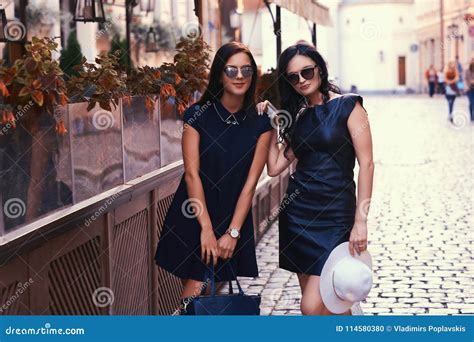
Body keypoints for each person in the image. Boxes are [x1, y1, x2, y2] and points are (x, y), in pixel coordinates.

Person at [154, 42, 273, 314]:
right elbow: (191, 174)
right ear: (220, 74)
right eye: (231, 69)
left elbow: (250, 185)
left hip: (231, 217)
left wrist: (233, 232)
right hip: (193, 213)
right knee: (194, 299)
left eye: (246, 69)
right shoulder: (197, 115)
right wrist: (206, 229)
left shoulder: (260, 122)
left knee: (196, 302)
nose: (239, 75)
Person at [256, 43, 374, 316]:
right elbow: (274, 167)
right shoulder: (300, 118)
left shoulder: (349, 106)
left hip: (336, 216)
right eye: (293, 77)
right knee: (332, 304)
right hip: (298, 216)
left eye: (306, 72)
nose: (301, 80)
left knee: (311, 306)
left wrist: (361, 220)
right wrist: (271, 124)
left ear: (319, 69)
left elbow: (366, 164)